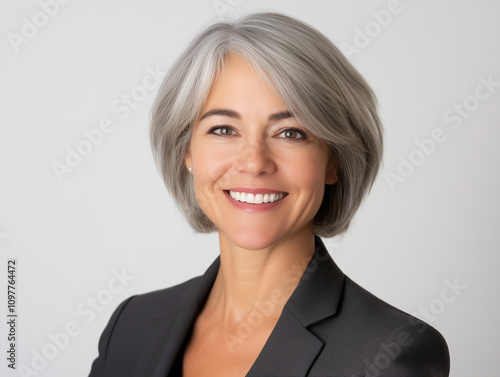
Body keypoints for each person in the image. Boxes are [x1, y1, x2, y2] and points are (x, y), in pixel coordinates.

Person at [89, 12, 450, 377]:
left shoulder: (390, 353)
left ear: (333, 160)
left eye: (290, 132)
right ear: (187, 152)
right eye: (224, 129)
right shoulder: (131, 326)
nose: (254, 162)